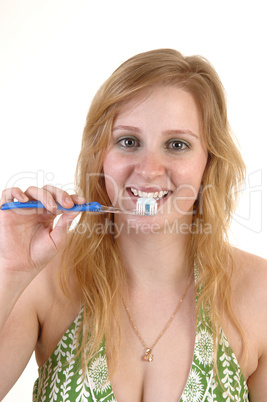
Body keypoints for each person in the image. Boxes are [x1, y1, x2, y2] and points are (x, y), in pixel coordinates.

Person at [0, 48, 266, 402]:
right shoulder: (44, 279)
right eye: (128, 141)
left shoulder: (259, 292)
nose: (149, 170)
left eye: (176, 144)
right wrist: (10, 271)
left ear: (210, 162)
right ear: (101, 155)